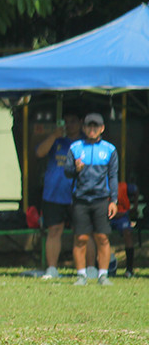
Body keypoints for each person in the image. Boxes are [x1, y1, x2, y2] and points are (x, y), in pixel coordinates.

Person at [64, 113, 118, 286]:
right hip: (81, 199)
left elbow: (113, 176)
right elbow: (67, 172)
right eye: (89, 126)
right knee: (81, 238)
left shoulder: (109, 149)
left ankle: (103, 274)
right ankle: (81, 275)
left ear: (102, 128)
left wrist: (114, 201)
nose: (92, 129)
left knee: (102, 237)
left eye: (96, 127)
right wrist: (76, 168)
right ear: (84, 128)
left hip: (101, 199)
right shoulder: (75, 148)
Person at [35, 111, 82, 279]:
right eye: (66, 121)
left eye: (73, 121)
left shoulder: (85, 143)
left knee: (82, 232)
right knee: (54, 230)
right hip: (53, 194)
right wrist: (54, 136)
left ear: (81, 122)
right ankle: (52, 269)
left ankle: (85, 270)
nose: (69, 125)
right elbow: (39, 153)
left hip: (79, 195)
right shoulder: (56, 141)